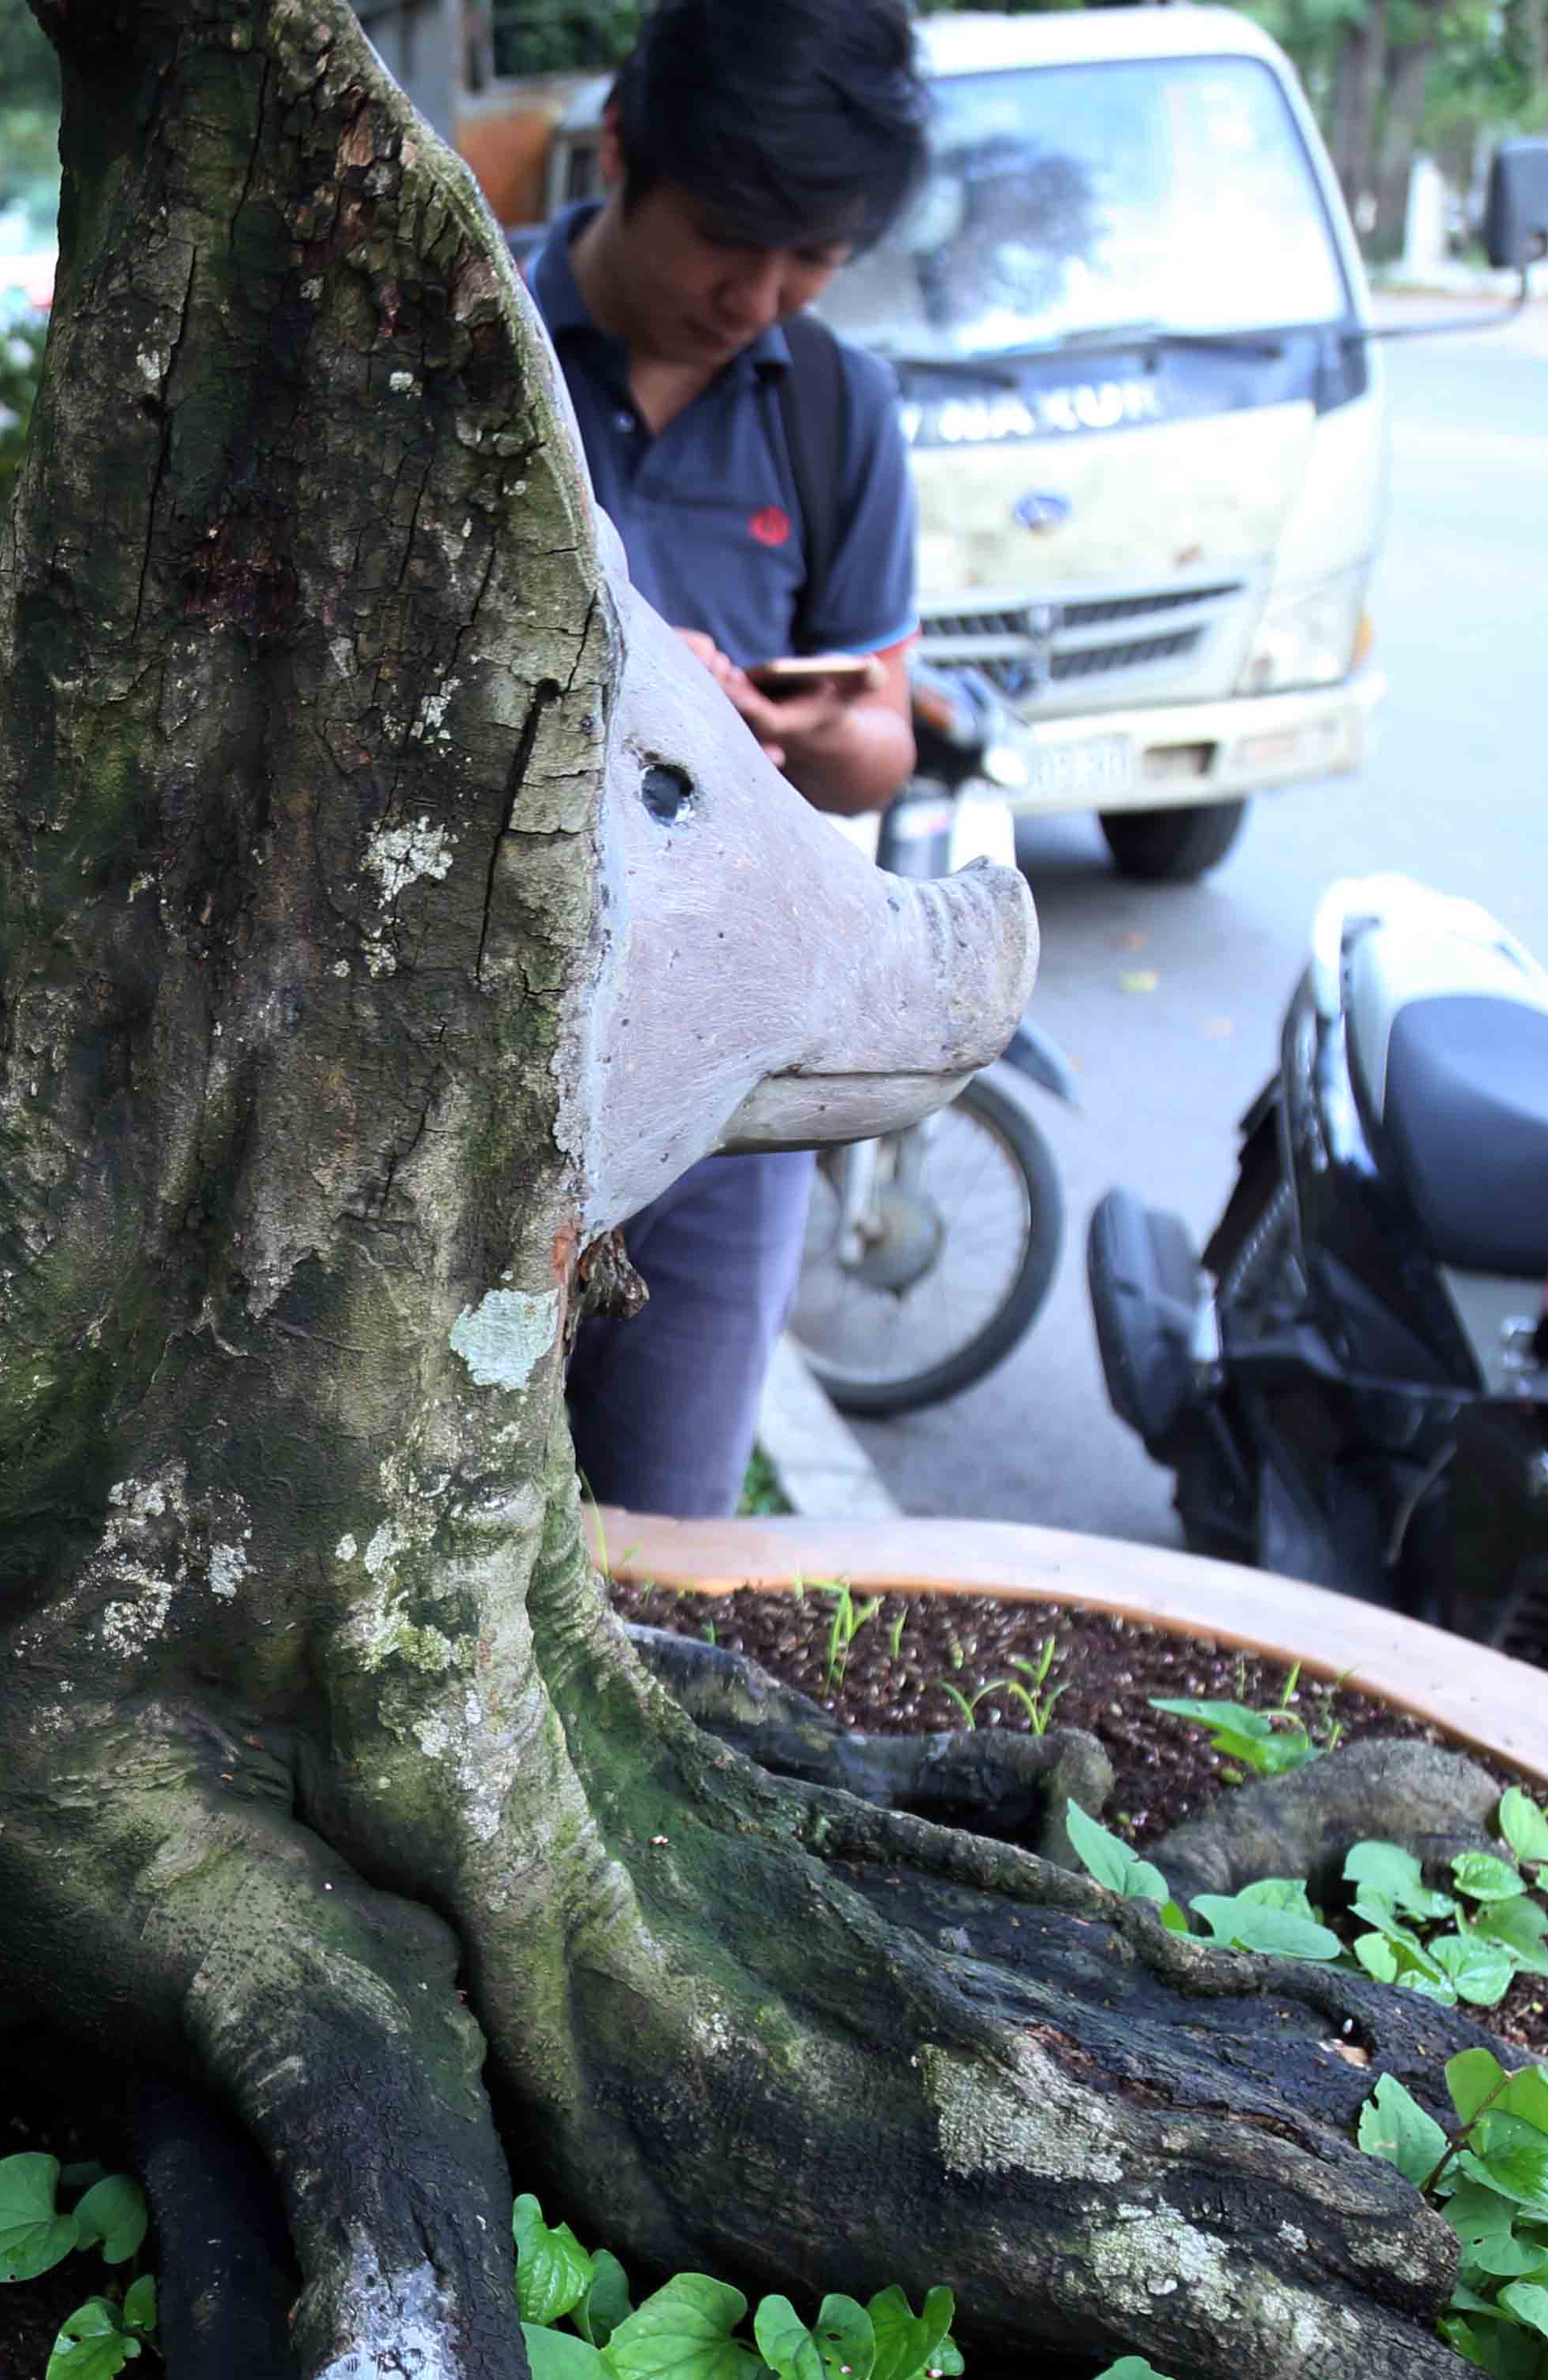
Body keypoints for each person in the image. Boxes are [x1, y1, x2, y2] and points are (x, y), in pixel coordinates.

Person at [533, 0, 932, 1517]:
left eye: (814, 258)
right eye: (730, 238)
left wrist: (818, 739)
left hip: (732, 1107)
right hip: (472, 1076)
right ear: (627, 148)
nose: (759, 297)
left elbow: (882, 734)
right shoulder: (455, 353)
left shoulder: (836, 409)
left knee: (664, 1526)